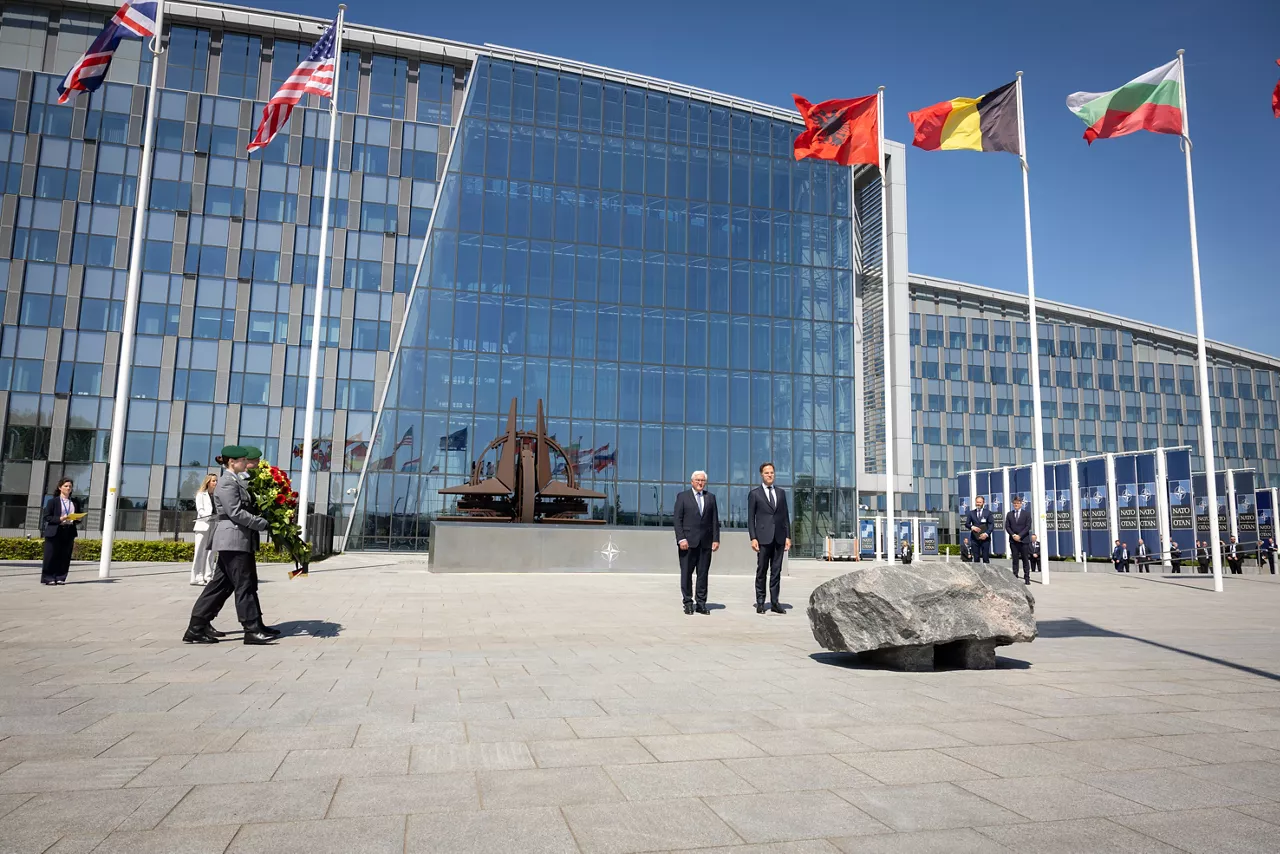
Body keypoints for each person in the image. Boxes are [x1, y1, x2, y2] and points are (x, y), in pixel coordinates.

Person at [183, 446, 279, 645]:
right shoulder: (227, 482)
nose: (246, 463)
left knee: (220, 586)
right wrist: (262, 523)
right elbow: (235, 512)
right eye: (243, 460)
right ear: (232, 462)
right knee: (244, 585)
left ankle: (197, 627)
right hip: (233, 540)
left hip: (237, 540)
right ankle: (251, 629)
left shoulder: (235, 480)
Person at [672, 470, 720, 615]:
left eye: (703, 480)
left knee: (703, 574)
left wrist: (716, 539)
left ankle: (701, 603)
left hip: (705, 543)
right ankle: (688, 602)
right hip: (687, 543)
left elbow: (714, 520)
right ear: (692, 481)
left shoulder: (710, 498)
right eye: (698, 480)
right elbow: (677, 520)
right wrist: (681, 538)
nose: (700, 483)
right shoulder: (683, 497)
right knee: (686, 573)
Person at [747, 462, 790, 615]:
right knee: (762, 571)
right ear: (761, 475)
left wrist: (788, 536)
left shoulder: (781, 493)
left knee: (776, 571)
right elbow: (750, 518)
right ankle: (760, 601)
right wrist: (753, 537)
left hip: (779, 538)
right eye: (766, 473)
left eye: (772, 472)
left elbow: (785, 516)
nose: (770, 475)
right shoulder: (755, 494)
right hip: (763, 538)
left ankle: (774, 602)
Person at [40, 477, 78, 585]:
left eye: (70, 486)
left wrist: (78, 519)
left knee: (65, 555)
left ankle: (61, 577)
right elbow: (47, 517)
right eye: (66, 486)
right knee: (51, 555)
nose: (68, 488)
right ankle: (48, 577)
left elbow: (75, 516)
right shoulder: (53, 501)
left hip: (69, 531)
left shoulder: (74, 502)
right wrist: (60, 519)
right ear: (60, 487)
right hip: (55, 530)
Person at [190, 474, 218, 585]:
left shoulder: (217, 496)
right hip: (203, 525)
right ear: (208, 482)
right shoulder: (201, 495)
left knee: (211, 552)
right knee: (200, 552)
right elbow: (200, 510)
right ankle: (197, 576)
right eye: (214, 481)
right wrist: (208, 516)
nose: (216, 483)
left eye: (216, 481)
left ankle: (209, 575)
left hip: (214, 525)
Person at [1005, 495, 1032, 584]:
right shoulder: (1009, 514)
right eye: (1014, 503)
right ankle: (1015, 576)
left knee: (1025, 559)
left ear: (1021, 504)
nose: (1016, 505)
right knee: (1015, 559)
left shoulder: (1026, 514)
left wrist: (1019, 536)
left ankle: (1027, 577)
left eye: (1018, 503)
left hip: (1024, 540)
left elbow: (1028, 526)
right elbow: (1007, 526)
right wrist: (1013, 535)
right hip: (1013, 540)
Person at [963, 496, 992, 563]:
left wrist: (986, 534)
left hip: (985, 539)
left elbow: (991, 525)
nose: (978, 504)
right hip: (975, 539)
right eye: (977, 502)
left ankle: (987, 573)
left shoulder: (988, 513)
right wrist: (972, 527)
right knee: (976, 558)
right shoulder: (971, 513)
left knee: (985, 558)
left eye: (980, 502)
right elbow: (967, 524)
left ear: (983, 503)